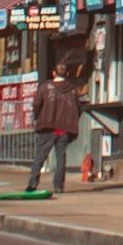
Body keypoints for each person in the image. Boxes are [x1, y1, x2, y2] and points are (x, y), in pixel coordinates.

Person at [25, 61, 83, 195]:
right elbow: (78, 109)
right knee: (61, 157)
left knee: (40, 156)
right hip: (64, 128)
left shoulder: (46, 87)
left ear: (53, 73)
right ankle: (58, 186)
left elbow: (36, 104)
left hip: (48, 126)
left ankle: (33, 184)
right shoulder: (73, 90)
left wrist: (39, 118)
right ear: (67, 74)